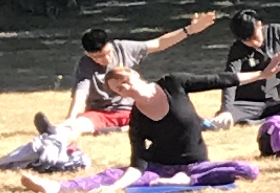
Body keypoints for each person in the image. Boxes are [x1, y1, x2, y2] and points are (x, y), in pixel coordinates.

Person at [69, 13, 215, 127]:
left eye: (108, 52)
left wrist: (189, 30)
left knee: (168, 116)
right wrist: (71, 117)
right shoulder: (85, 64)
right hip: (101, 113)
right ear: (88, 54)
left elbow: (158, 43)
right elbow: (81, 92)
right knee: (81, 124)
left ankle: (202, 123)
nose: (106, 59)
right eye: (98, 57)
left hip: (132, 109)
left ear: (110, 44)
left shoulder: (123, 48)